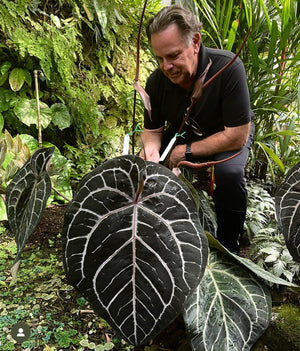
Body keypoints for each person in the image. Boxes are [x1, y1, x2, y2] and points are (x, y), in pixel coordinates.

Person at [139, 5, 255, 254]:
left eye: (173, 56)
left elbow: (237, 135)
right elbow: (152, 131)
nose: (166, 66)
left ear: (195, 42)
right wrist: (151, 150)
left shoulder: (228, 68)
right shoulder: (157, 81)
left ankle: (229, 246)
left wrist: (185, 152)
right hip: (184, 131)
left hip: (228, 134)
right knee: (147, 173)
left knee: (229, 174)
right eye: (159, 58)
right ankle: (159, 243)